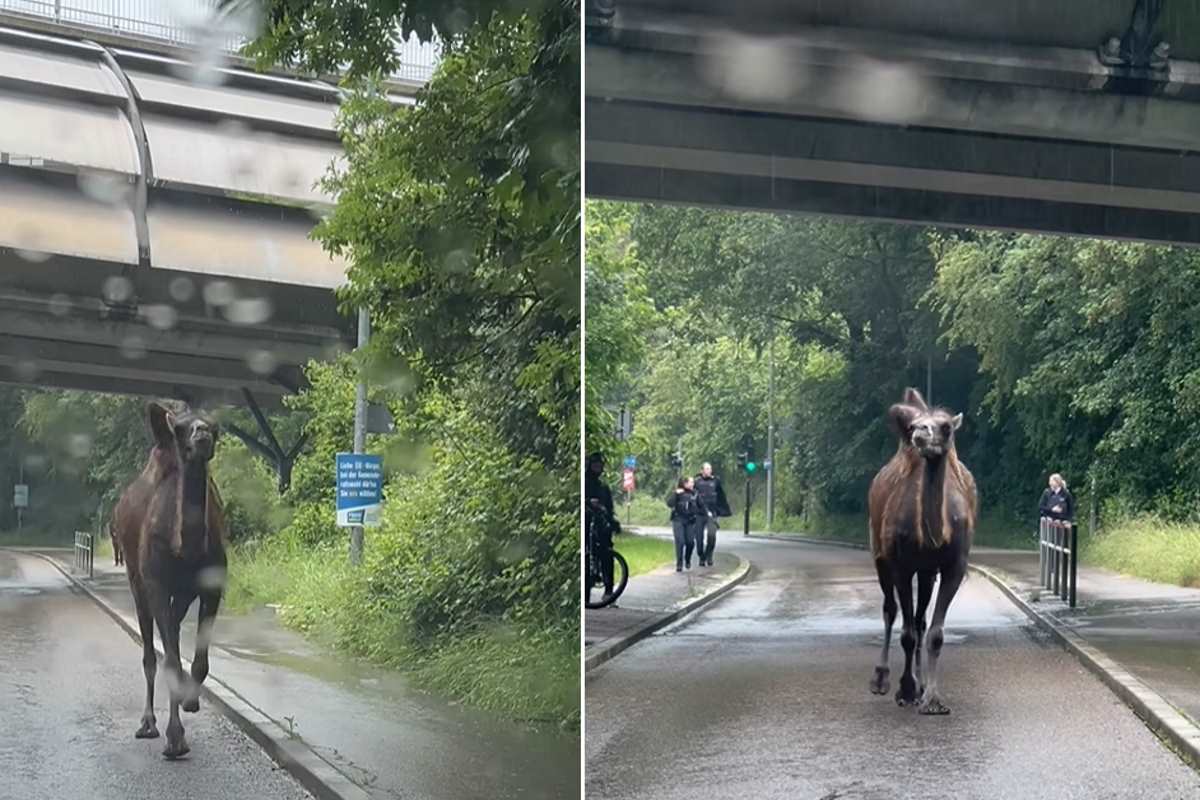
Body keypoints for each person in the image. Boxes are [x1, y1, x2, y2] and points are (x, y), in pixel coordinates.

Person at [585, 452, 620, 604]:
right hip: (586, 523)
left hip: (601, 525)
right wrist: (588, 502)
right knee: (586, 555)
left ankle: (609, 591)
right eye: (595, 465)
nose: (597, 468)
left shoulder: (603, 487)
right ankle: (585, 594)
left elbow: (609, 508)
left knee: (607, 554)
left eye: (600, 466)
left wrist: (612, 523)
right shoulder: (585, 483)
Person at [694, 462, 731, 567]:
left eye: (710, 469)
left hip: (712, 513)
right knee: (699, 538)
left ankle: (708, 554)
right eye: (706, 469)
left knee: (711, 535)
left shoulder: (716, 481)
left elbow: (721, 496)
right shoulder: (697, 482)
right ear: (702, 471)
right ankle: (701, 555)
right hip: (699, 513)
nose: (708, 471)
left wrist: (722, 510)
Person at [667, 476, 707, 571]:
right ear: (685, 484)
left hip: (690, 520)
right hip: (678, 520)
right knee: (680, 542)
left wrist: (707, 515)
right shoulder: (678, 493)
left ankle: (687, 558)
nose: (693, 484)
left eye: (693, 482)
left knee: (690, 542)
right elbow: (670, 504)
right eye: (691, 482)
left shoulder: (695, 494)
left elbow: (702, 506)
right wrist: (675, 494)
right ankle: (679, 563)